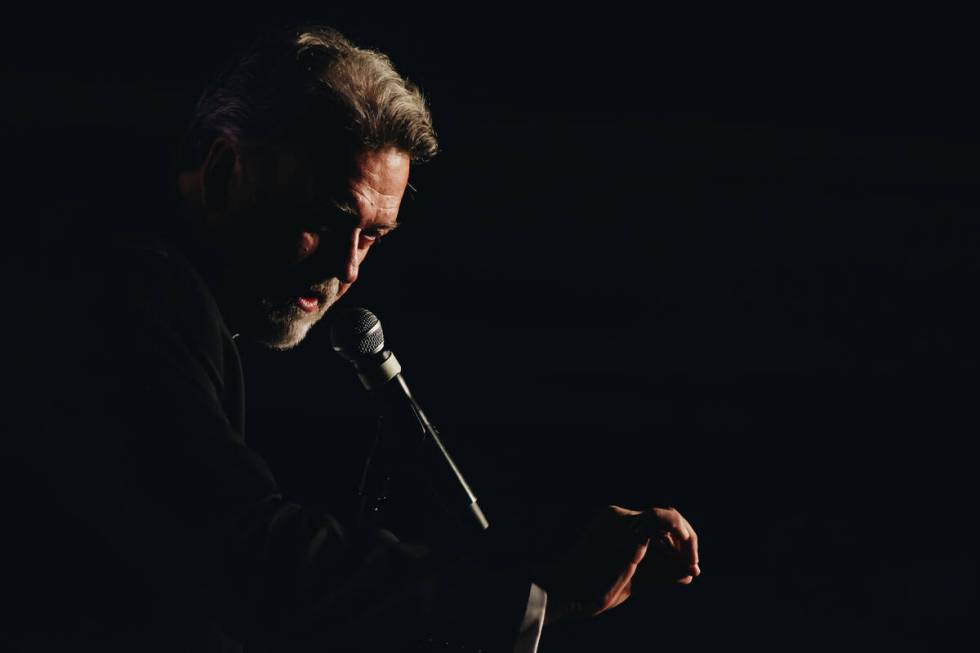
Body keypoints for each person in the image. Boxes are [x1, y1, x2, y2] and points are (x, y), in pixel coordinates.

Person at [4, 23, 700, 652]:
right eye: (327, 216)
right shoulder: (122, 283)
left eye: (372, 235)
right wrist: (539, 590)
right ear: (221, 170)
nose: (347, 266)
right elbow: (247, 557)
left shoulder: (151, 281)